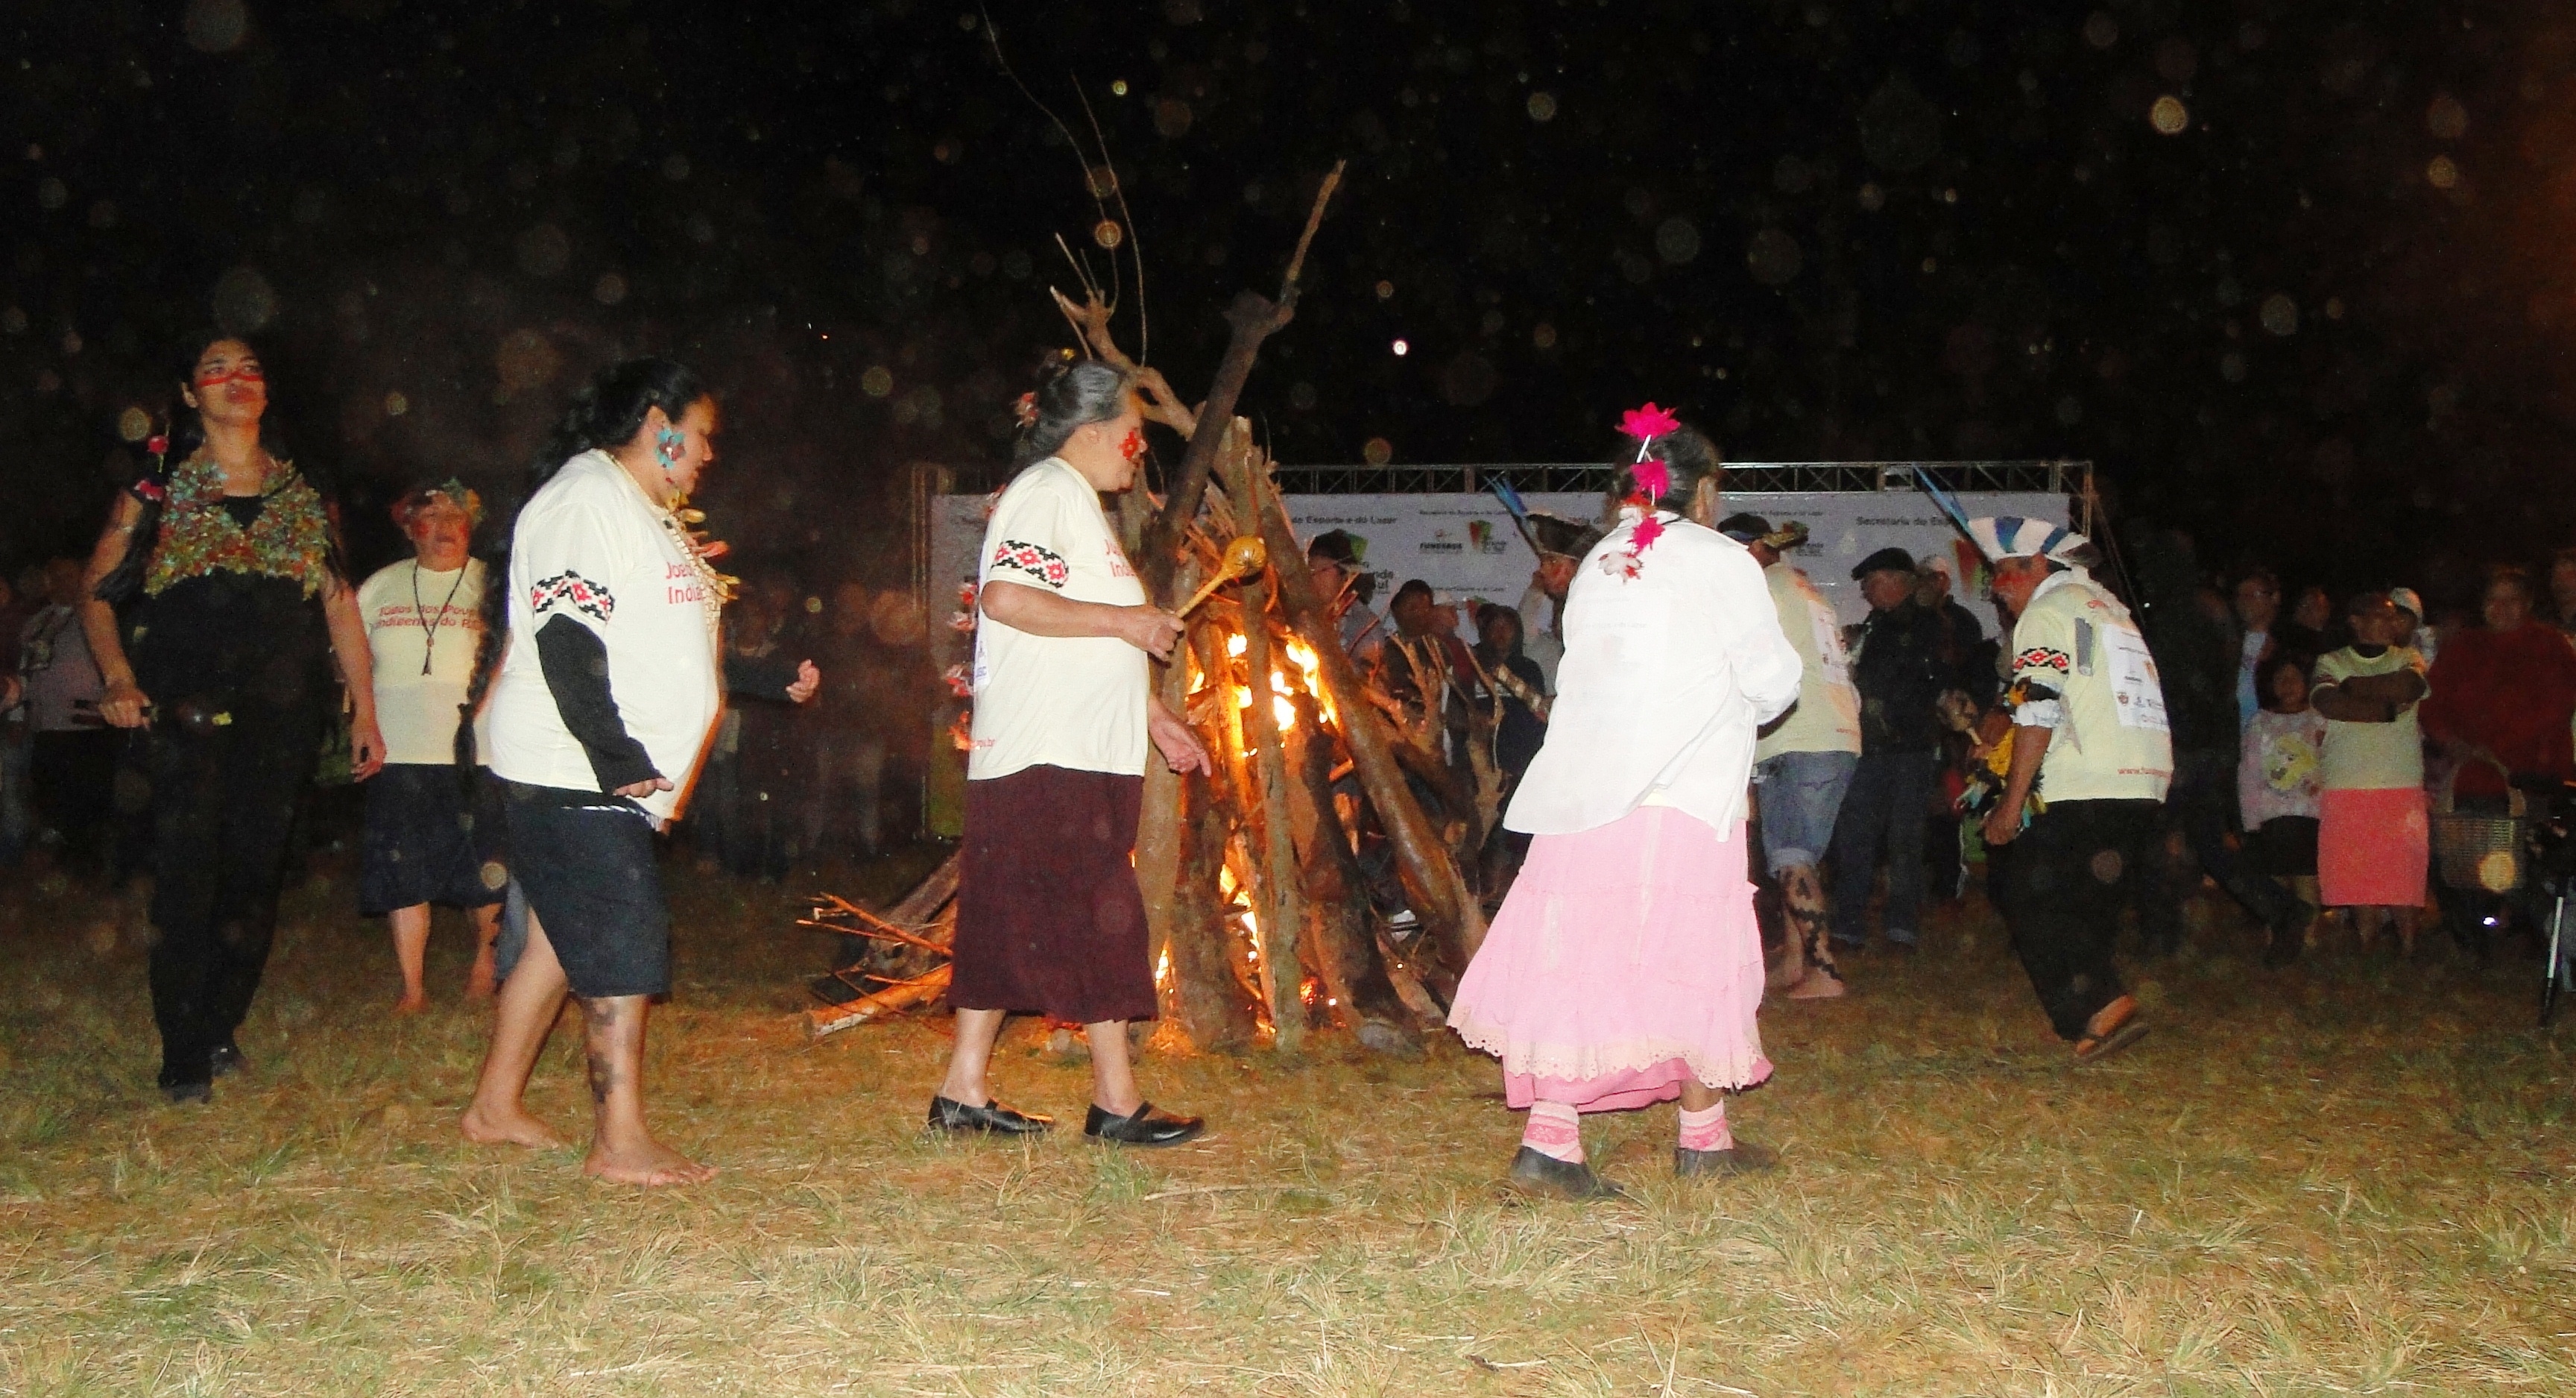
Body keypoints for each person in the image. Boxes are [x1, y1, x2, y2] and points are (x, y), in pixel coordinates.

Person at [458, 356, 816, 1186]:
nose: (709, 453)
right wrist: (612, 751)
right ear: (658, 424)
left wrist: (765, 679)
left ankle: (494, 1107)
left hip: (594, 765)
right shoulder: (586, 498)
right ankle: (619, 1141)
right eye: (701, 435)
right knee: (622, 939)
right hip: (572, 763)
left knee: (559, 941)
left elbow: (664, 645)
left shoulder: (644, 512)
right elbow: (567, 635)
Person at [1448, 408, 1802, 1200]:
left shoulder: (1602, 559)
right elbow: (1776, 682)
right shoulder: (1720, 558)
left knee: (1581, 953)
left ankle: (1586, 1138)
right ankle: (1671, 1141)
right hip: (1679, 792)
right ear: (1702, 492)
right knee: (1689, 954)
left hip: (1582, 792)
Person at [79, 334, 388, 1103]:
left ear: (267, 390)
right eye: (215, 370)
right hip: (185, 707)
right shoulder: (157, 486)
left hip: (281, 714)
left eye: (249, 368)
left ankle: (219, 1023)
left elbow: (340, 604)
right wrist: (119, 676)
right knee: (188, 873)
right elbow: (95, 592)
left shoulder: (303, 490)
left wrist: (366, 710)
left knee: (254, 875)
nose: (235, 379)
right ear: (190, 394)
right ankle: (183, 1049)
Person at [931, 359, 1213, 1147]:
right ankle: (1116, 1101)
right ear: (1092, 431)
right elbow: (1007, 600)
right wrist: (1128, 622)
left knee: (1005, 915)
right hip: (1051, 755)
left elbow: (1073, 635)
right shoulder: (1049, 491)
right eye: (1133, 432)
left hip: (1060, 751)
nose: (1139, 447)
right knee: (1102, 913)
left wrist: (1153, 715)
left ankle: (961, 1092)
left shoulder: (1074, 503)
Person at [1972, 516, 2171, 1064]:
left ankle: (2101, 1003)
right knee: (2086, 899)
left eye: (2004, 574)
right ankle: (2093, 1019)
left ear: (2038, 565)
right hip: (2142, 775)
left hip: (2085, 778)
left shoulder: (2047, 612)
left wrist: (2011, 802)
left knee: (2027, 893)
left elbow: (2039, 707)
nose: (1996, 589)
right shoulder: (2111, 610)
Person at [356, 481, 505, 1012]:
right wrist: (359, 722)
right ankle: (412, 987)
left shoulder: (493, 585)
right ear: (408, 527)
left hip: (477, 753)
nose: (445, 527)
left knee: (484, 867)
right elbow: (352, 660)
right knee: (404, 870)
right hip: (398, 751)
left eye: (456, 516)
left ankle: (485, 966)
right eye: (431, 516)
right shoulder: (380, 586)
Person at [2130, 526, 2307, 963]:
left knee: (2154, 838)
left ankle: (2161, 935)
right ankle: (2281, 909)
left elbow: (2169, 684)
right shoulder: (2212, 606)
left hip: (2186, 744)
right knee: (2208, 842)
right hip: (2213, 742)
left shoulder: (2178, 612)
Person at [1720, 514, 1860, 1000]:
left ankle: (1825, 970)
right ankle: (1797, 961)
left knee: (1792, 855)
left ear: (1753, 549)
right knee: (1794, 855)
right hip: (1833, 731)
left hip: (1798, 735)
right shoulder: (1805, 590)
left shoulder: (1763, 591)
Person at [2419, 566, 2576, 959]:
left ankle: (2540, 938)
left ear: (2528, 604)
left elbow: (2555, 708)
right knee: (2454, 859)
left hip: (2531, 777)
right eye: (2494, 599)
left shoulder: (2550, 646)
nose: (2501, 608)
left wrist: (2495, 747)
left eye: (2511, 600)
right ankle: (2473, 940)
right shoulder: (2464, 647)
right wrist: (2452, 742)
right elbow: (2432, 703)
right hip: (2470, 777)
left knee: (2526, 867)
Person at [1826, 547, 1957, 954]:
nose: (1865, 591)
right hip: (1876, 747)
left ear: (1895, 581)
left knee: (1903, 840)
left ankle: (1897, 927)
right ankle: (1852, 924)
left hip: (1908, 749)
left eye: (1871, 582)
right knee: (1860, 837)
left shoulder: (1923, 624)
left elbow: (1921, 683)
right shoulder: (1879, 623)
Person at [2309, 592, 2431, 957]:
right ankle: (2367, 944)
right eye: (2382, 616)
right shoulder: (2330, 660)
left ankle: (2408, 946)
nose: (2392, 624)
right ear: (2356, 621)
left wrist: (2354, 687)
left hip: (2400, 778)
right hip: (2347, 779)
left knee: (2403, 867)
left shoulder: (2408, 657)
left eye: (2394, 617)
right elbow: (2329, 703)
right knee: (2358, 869)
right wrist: (2388, 711)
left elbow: (2409, 687)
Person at [17, 558, 114, 875]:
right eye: (57, 577)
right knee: (49, 796)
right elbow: (27, 671)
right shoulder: (37, 622)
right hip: (46, 724)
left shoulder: (96, 618)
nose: (64, 583)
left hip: (84, 725)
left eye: (71, 576)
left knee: (85, 799)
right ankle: (57, 871)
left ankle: (86, 869)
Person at [2239, 652, 2326, 933]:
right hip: (2271, 815)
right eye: (2281, 679)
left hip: (2310, 814)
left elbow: (2331, 764)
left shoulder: (2319, 721)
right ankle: (2278, 936)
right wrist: (2251, 821)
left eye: (2294, 678)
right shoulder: (2260, 723)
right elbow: (2249, 773)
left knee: (2305, 876)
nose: (2287, 685)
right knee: (2274, 878)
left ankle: (2308, 937)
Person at [1514, 512, 1602, 693]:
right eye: (1543, 562)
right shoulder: (1573, 609)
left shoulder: (1600, 611)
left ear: (1578, 566)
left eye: (1552, 561)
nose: (1542, 570)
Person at [1304, 529, 1388, 668]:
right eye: (1311, 569)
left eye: (1324, 570)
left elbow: (1373, 676)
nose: (1315, 576)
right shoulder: (1302, 616)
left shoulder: (1364, 624)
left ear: (1346, 576)